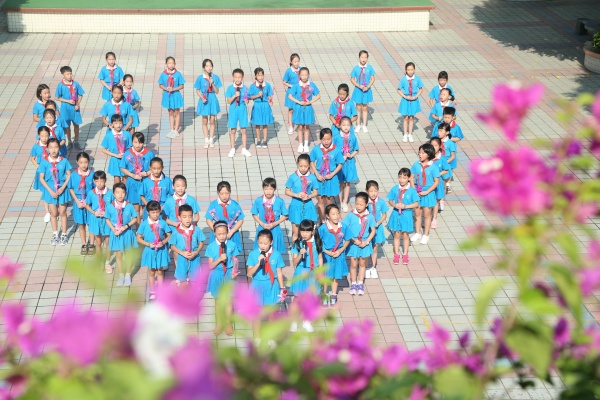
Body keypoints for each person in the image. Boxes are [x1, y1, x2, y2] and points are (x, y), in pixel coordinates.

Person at [246, 229, 286, 341]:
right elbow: (249, 273)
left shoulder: (276, 254)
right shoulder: (253, 254)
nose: (262, 246)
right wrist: (258, 263)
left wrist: (282, 288)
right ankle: (258, 337)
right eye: (260, 243)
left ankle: (270, 337)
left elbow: (279, 272)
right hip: (257, 285)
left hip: (271, 285)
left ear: (271, 242)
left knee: (272, 313)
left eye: (265, 243)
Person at [206, 220, 241, 336]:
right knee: (218, 300)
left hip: (229, 274)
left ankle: (228, 323)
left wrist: (235, 271)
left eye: (224, 233)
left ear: (227, 232)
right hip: (217, 274)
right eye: (219, 234)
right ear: (214, 233)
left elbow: (235, 260)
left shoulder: (232, 245)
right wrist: (219, 259)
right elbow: (210, 266)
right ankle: (219, 323)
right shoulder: (211, 247)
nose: (222, 236)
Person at [290, 219, 323, 333]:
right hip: (301, 272)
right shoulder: (297, 244)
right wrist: (300, 254)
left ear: (312, 231)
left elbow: (320, 258)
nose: (304, 234)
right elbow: (294, 262)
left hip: (313, 272)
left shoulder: (317, 242)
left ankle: (307, 320)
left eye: (307, 231)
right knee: (297, 298)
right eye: (302, 231)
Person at [38, 138, 71, 246]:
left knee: (63, 212)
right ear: (47, 148)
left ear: (59, 148)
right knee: (54, 213)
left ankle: (64, 234)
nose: (53, 150)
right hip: (50, 190)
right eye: (51, 147)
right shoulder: (44, 162)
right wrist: (50, 190)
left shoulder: (64, 161)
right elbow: (41, 178)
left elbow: (69, 175)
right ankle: (55, 234)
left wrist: (63, 187)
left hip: (62, 190)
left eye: (56, 147)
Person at [105, 183, 138, 287]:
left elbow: (135, 218)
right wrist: (113, 229)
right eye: (117, 192)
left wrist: (126, 226)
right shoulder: (110, 206)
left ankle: (128, 275)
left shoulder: (129, 206)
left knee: (128, 255)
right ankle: (121, 275)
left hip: (127, 233)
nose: (120, 195)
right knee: (118, 255)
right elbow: (107, 219)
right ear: (113, 194)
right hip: (116, 234)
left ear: (125, 193)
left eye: (122, 192)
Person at [137, 200, 171, 300]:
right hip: (150, 251)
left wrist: (163, 242)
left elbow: (169, 235)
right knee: (151, 272)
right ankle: (152, 291)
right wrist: (148, 244)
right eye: (153, 212)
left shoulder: (163, 223)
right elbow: (138, 238)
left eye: (157, 212)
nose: (155, 214)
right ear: (148, 212)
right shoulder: (144, 224)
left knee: (160, 271)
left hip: (161, 250)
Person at [343, 192, 376, 296]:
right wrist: (353, 240)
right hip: (353, 243)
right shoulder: (351, 215)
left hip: (364, 243)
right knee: (353, 264)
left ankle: (360, 283)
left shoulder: (369, 216)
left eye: (361, 204)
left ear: (366, 204)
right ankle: (353, 283)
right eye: (356, 203)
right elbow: (345, 228)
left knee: (362, 264)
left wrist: (367, 242)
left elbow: (373, 230)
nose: (358, 206)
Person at [318, 204, 350, 307]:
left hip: (338, 255)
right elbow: (318, 243)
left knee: (336, 276)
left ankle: (334, 294)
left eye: (337, 213)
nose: (336, 216)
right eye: (333, 214)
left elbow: (348, 239)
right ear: (327, 216)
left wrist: (341, 250)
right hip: (326, 256)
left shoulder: (343, 226)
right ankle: (324, 294)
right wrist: (327, 252)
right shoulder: (323, 228)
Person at [310, 128, 344, 222]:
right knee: (320, 200)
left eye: (328, 139)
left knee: (329, 200)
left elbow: (340, 163)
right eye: (324, 139)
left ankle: (330, 220)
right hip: (319, 178)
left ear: (332, 137)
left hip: (330, 178)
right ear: (320, 139)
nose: (326, 142)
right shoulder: (316, 149)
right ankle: (322, 220)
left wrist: (332, 174)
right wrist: (317, 174)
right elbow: (311, 161)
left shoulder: (336, 150)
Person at [386, 168, 419, 265]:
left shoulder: (411, 191)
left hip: (406, 215)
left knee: (405, 235)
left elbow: (416, 204)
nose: (401, 180)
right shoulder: (395, 188)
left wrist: (405, 206)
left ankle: (405, 253)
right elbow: (390, 200)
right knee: (396, 234)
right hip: (396, 214)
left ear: (408, 178)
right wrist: (394, 205)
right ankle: (396, 254)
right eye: (400, 177)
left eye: (404, 178)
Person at [410, 143, 440, 245]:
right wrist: (414, 190)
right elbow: (411, 177)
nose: (420, 155)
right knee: (417, 213)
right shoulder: (416, 165)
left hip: (428, 193)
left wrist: (427, 191)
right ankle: (417, 232)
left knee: (427, 215)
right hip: (417, 192)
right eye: (419, 153)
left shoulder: (433, 167)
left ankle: (426, 235)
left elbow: (436, 181)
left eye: (423, 153)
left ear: (429, 154)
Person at [285, 154, 319, 244]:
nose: (303, 168)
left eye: (305, 166)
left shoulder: (312, 177)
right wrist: (296, 195)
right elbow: (287, 191)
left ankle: (308, 248)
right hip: (296, 205)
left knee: (307, 230)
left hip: (308, 205)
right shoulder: (293, 177)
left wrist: (309, 196)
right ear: (297, 164)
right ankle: (295, 248)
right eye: (301, 166)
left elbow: (316, 192)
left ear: (309, 165)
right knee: (296, 231)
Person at [85, 170, 114, 273]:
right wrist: (94, 213)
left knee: (107, 242)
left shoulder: (110, 193)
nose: (99, 183)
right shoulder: (91, 193)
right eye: (97, 181)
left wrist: (108, 213)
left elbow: (113, 205)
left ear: (106, 180)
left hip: (106, 221)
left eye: (102, 181)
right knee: (98, 242)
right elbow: (87, 205)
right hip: (96, 220)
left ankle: (107, 262)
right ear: (94, 181)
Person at [119, 132, 154, 216]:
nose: (138, 145)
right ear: (132, 142)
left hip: (145, 182)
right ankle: (138, 224)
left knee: (146, 206)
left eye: (140, 142)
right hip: (132, 182)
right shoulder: (128, 153)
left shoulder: (149, 153)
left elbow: (154, 168)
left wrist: (147, 173)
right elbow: (122, 167)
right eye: (135, 142)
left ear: (143, 142)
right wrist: (132, 175)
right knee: (136, 208)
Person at [170, 204, 206, 285]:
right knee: (182, 280)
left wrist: (196, 252)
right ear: (179, 217)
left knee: (195, 280)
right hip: (182, 258)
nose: (188, 219)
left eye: (190, 216)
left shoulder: (196, 230)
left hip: (194, 258)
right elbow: (172, 246)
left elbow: (201, 242)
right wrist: (182, 253)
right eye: (184, 217)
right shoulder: (176, 232)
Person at [251, 178, 288, 253]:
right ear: (263, 189)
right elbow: (254, 213)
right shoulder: (259, 201)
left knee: (275, 252)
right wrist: (262, 224)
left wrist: (275, 223)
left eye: (271, 189)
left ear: (274, 189)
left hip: (275, 230)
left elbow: (285, 215)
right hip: (262, 229)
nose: (268, 191)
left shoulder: (279, 201)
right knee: (261, 250)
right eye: (266, 189)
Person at [205, 181, 245, 251]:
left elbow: (240, 220)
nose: (224, 196)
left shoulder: (235, 205)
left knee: (232, 252)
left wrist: (232, 231)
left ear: (230, 192)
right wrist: (216, 230)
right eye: (222, 194)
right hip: (218, 233)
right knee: (216, 252)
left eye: (227, 193)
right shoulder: (213, 204)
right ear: (218, 193)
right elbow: (208, 220)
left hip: (231, 233)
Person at [289, 67, 321, 153]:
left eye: (306, 75)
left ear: (308, 75)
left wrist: (310, 101)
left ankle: (306, 144)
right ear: (299, 75)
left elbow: (318, 95)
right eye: (302, 75)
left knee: (306, 126)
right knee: (300, 127)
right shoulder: (296, 85)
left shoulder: (311, 85)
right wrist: (298, 102)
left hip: (308, 108)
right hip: (299, 108)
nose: (304, 76)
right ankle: (300, 144)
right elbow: (290, 96)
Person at [68, 152, 95, 255]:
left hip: (89, 202)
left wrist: (90, 201)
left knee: (91, 223)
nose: (83, 165)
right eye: (81, 162)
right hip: (78, 202)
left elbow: (95, 189)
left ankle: (91, 243)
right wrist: (76, 201)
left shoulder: (92, 174)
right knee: (81, 224)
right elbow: (71, 188)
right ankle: (84, 243)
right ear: (77, 162)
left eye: (85, 162)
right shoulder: (74, 175)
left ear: (89, 162)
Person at [332, 117, 359, 212]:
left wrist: (351, 155)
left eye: (348, 125)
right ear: (339, 126)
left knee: (348, 182)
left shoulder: (353, 137)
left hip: (349, 163)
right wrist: (340, 157)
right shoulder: (336, 137)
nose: (346, 127)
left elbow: (356, 149)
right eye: (343, 125)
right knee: (340, 182)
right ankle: (339, 202)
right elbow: (333, 150)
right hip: (340, 163)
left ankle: (345, 202)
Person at [194, 59, 222, 148]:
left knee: (212, 120)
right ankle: (206, 139)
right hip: (204, 99)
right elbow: (197, 90)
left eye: (210, 66)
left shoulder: (215, 77)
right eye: (207, 66)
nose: (209, 68)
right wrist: (202, 98)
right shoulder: (200, 78)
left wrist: (212, 83)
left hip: (212, 98)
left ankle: (211, 139)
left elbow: (217, 91)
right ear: (204, 67)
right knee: (204, 120)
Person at [55, 65, 84, 149]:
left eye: (71, 74)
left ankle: (76, 141)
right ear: (62, 75)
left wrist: (78, 104)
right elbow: (57, 97)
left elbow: (81, 95)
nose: (70, 76)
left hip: (75, 109)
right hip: (65, 109)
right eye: (67, 74)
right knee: (67, 126)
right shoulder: (60, 85)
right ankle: (69, 141)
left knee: (76, 125)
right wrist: (67, 101)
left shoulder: (75, 84)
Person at [225, 68, 252, 157]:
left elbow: (247, 99)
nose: (237, 79)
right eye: (235, 77)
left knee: (243, 129)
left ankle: (244, 148)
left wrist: (247, 101)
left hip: (242, 110)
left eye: (239, 77)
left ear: (242, 77)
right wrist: (234, 96)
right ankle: (232, 148)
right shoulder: (230, 88)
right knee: (233, 129)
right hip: (233, 110)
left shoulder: (245, 88)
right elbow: (228, 101)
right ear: (233, 77)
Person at [158, 56, 185, 138]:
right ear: (166, 64)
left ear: (175, 64)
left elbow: (182, 85)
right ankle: (172, 129)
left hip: (175, 95)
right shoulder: (163, 74)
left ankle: (176, 130)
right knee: (170, 112)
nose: (171, 65)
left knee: (177, 112)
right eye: (169, 63)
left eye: (173, 63)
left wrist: (174, 89)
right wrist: (166, 88)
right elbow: (160, 84)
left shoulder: (178, 74)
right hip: (167, 95)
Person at [365, 180, 388, 278]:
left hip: (377, 228)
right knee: (366, 247)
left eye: (375, 191)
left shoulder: (381, 201)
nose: (373, 193)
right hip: (367, 229)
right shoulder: (365, 202)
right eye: (371, 191)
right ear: (367, 191)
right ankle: (366, 267)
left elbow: (384, 215)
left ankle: (373, 267)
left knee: (375, 247)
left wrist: (378, 223)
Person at [101, 114, 132, 184]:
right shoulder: (109, 135)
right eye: (116, 123)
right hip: (115, 160)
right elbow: (104, 150)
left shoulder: (127, 134)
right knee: (117, 180)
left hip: (125, 159)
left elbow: (131, 147)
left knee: (125, 179)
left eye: (120, 123)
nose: (118, 125)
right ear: (112, 124)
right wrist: (115, 155)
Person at [349, 50, 375, 132]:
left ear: (367, 58)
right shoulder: (356, 68)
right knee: (358, 107)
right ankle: (358, 124)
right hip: (358, 90)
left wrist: (368, 86)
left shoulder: (369, 68)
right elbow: (352, 79)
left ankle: (364, 125)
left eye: (365, 57)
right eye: (362, 57)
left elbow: (372, 78)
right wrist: (358, 85)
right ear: (359, 58)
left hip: (366, 90)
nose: (363, 59)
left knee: (365, 107)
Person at [397, 62, 423, 143]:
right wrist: (405, 96)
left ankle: (410, 134)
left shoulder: (417, 79)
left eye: (412, 69)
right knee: (405, 117)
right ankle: (405, 134)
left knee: (411, 117)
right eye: (408, 70)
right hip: (406, 100)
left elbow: (421, 88)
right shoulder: (403, 79)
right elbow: (398, 89)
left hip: (414, 100)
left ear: (414, 70)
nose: (410, 71)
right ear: (406, 70)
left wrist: (416, 96)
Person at [249, 67, 274, 148]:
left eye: (262, 75)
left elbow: (270, 94)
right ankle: (259, 140)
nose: (260, 77)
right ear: (255, 76)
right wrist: (257, 95)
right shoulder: (253, 86)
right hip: (257, 105)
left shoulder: (267, 85)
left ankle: (265, 140)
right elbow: (249, 97)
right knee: (257, 124)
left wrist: (270, 100)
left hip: (265, 105)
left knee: (265, 124)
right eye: (258, 75)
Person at [30, 126, 51, 223]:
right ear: (38, 135)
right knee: (45, 192)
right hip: (42, 172)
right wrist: (39, 166)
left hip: (51, 172)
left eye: (46, 136)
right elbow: (32, 159)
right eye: (42, 136)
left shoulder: (51, 144)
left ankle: (54, 211)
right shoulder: (36, 147)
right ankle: (47, 212)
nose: (44, 138)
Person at [430, 137, 451, 229]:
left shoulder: (442, 159)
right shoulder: (427, 157)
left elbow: (446, 170)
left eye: (436, 145)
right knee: (428, 201)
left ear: (440, 146)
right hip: (428, 183)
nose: (433, 147)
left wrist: (437, 174)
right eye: (432, 145)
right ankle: (427, 218)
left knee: (435, 201)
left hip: (437, 183)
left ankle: (434, 219)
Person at [282, 53, 301, 135]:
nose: (296, 63)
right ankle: (290, 126)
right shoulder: (289, 71)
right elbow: (284, 82)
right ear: (291, 62)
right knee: (291, 110)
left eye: (298, 61)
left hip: (299, 93)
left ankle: (300, 125)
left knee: (299, 109)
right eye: (295, 62)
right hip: (291, 93)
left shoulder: (301, 70)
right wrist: (292, 86)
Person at [438, 121, 458, 195]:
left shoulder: (450, 143)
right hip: (438, 162)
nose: (439, 133)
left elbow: (453, 156)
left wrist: (446, 163)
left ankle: (446, 187)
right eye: (438, 131)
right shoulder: (437, 141)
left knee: (445, 178)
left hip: (446, 163)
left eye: (441, 131)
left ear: (447, 132)